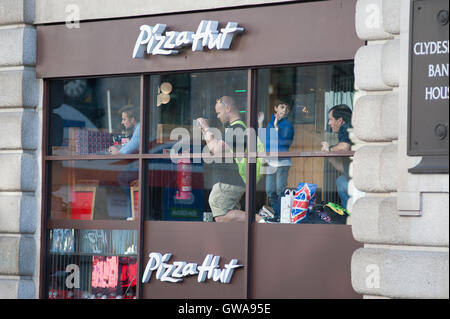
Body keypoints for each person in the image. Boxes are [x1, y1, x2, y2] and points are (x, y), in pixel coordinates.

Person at [197, 96, 264, 223]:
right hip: (239, 179)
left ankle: (261, 219)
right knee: (228, 217)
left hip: (234, 179)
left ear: (227, 108)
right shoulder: (238, 128)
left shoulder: (236, 128)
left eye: (219, 112)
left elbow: (216, 150)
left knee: (221, 214)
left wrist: (205, 128)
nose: (218, 116)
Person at [257, 99, 294, 221]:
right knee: (269, 191)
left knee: (280, 191)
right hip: (270, 161)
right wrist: (261, 124)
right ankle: (279, 215)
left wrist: (277, 128)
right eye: (282, 107)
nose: (285, 110)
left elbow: (284, 142)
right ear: (275, 108)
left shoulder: (288, 125)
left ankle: (282, 217)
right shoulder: (271, 123)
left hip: (282, 162)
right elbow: (263, 140)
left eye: (287, 108)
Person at [321, 104, 352, 209]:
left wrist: (329, 148)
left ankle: (349, 215)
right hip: (359, 181)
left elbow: (345, 147)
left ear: (340, 120)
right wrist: (329, 156)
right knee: (341, 180)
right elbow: (344, 169)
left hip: (360, 184)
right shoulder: (349, 128)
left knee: (341, 181)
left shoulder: (345, 127)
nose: (329, 123)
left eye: (330, 119)